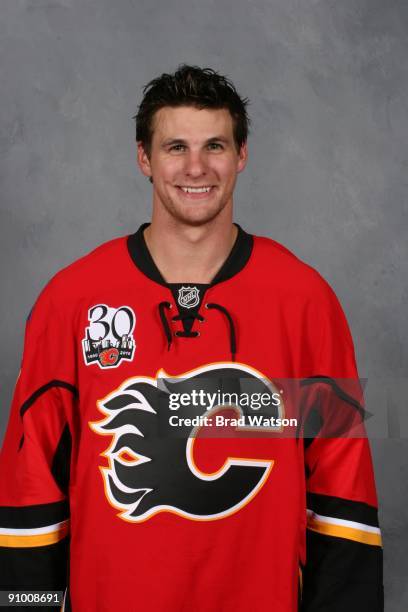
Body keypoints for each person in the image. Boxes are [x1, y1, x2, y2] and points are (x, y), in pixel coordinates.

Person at [0, 64, 383, 611]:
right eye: (175, 146)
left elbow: (342, 485)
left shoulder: (303, 300)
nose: (196, 167)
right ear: (144, 158)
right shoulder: (73, 299)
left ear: (241, 155)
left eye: (215, 146)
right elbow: (30, 479)